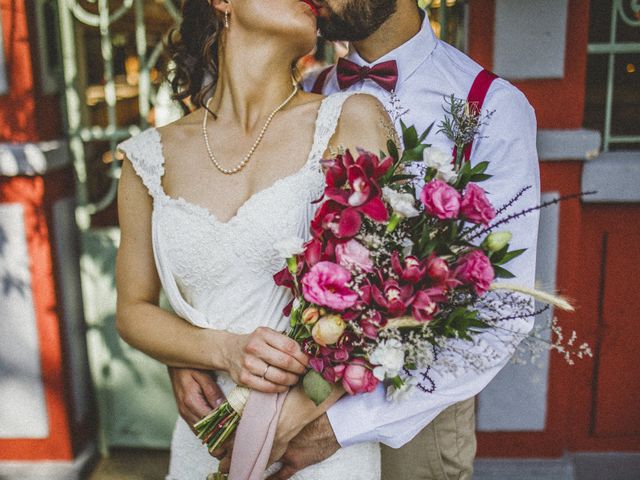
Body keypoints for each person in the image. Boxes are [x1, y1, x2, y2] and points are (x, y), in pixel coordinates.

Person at [169, 1, 541, 480]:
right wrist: (185, 351)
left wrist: (338, 425)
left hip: (413, 424)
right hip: (283, 397)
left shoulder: (489, 105)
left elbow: (501, 314)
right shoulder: (301, 92)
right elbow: (224, 234)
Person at [115, 0, 397, 478]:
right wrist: (218, 350)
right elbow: (133, 310)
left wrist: (280, 424)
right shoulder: (147, 158)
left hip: (310, 449)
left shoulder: (353, 118)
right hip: (205, 443)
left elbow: (389, 301)